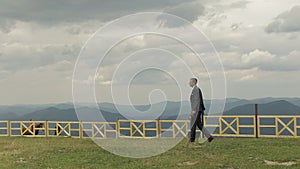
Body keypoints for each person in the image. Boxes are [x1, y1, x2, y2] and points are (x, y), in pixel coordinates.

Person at [188, 78, 213, 144]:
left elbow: (197, 100)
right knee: (199, 124)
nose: (189, 83)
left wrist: (193, 110)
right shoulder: (195, 89)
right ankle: (209, 137)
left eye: (190, 82)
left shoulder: (196, 90)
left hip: (196, 110)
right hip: (198, 110)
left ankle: (192, 140)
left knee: (193, 124)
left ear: (193, 82)